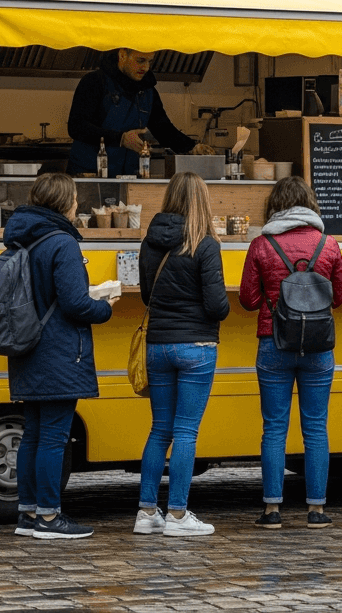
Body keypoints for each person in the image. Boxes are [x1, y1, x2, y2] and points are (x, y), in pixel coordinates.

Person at [3, 173, 118, 539]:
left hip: (27, 347)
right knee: (54, 436)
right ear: (64, 202)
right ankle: (50, 518)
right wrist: (105, 307)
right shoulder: (62, 242)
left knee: (33, 434)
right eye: (74, 199)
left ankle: (28, 513)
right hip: (58, 351)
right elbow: (74, 303)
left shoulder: (22, 239)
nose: (77, 205)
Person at [239, 177, 342, 529]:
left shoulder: (261, 244)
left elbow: (248, 300)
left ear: (275, 205)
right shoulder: (329, 245)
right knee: (316, 427)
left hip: (274, 342)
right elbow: (340, 298)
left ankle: (272, 510)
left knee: (274, 428)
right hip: (318, 347)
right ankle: (316, 509)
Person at [134, 172, 230, 538]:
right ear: (202, 202)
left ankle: (146, 513)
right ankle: (177, 515)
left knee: (160, 429)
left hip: (157, 345)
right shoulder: (205, 245)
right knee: (186, 431)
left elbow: (147, 296)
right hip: (196, 347)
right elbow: (217, 305)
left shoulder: (150, 243)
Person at [66, 48, 210, 177]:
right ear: (122, 56)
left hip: (128, 176)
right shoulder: (94, 82)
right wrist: (121, 139)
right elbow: (76, 127)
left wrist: (192, 147)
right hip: (89, 174)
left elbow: (163, 129)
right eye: (140, 60)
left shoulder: (148, 92)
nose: (146, 67)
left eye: (149, 61)